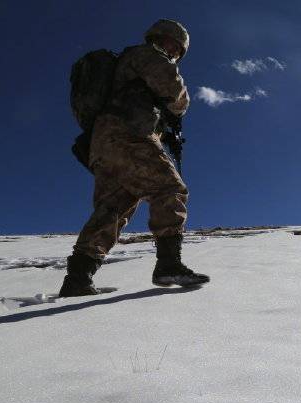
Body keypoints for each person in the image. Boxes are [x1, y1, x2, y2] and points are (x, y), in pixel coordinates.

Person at [59, 19, 209, 297]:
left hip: (103, 145)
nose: (175, 55)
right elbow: (174, 91)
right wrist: (177, 109)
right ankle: (168, 265)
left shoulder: (127, 65)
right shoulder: (148, 54)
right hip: (128, 136)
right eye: (176, 49)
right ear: (166, 40)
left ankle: (77, 278)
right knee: (169, 187)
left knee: (113, 209)